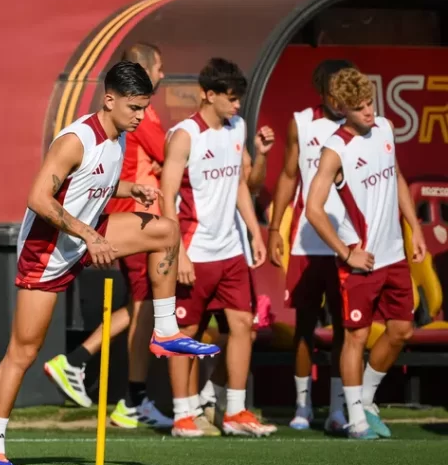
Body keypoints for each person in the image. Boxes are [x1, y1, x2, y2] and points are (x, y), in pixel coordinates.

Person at [0, 61, 219, 465]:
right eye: (134, 108)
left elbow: (92, 184)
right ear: (109, 100)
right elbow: (39, 197)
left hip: (88, 235)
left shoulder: (119, 136)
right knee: (24, 352)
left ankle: (164, 331)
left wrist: (130, 188)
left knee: (164, 231)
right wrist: (90, 236)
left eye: (144, 108)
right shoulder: (76, 139)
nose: (141, 117)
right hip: (48, 251)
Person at [42, 43, 173, 430]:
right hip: (124, 221)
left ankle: (125, 394)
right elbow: (172, 155)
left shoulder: (128, 119)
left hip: (124, 212)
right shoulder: (138, 117)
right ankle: (106, 381)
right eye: (161, 67)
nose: (164, 74)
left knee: (141, 307)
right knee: (142, 307)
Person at [305, 67, 425, 440]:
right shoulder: (335, 149)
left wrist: (415, 227)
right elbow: (313, 208)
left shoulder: (386, 129)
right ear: (342, 108)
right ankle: (355, 419)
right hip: (362, 262)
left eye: (371, 103)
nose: (369, 112)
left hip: (395, 256)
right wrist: (345, 253)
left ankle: (367, 399)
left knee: (402, 330)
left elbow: (397, 177)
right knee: (355, 337)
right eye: (359, 108)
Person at [160, 58, 276, 438]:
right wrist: (179, 254)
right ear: (207, 95)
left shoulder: (238, 127)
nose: (237, 105)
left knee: (243, 325)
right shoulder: (184, 135)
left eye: (238, 98)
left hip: (231, 252)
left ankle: (235, 412)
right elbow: (167, 196)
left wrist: (255, 231)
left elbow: (240, 184)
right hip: (195, 248)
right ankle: (182, 415)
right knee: (187, 331)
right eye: (230, 98)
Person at [267, 59, 355, 433]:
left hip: (349, 243)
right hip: (307, 241)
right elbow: (288, 175)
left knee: (346, 330)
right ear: (322, 89)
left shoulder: (364, 127)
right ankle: (302, 406)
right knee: (304, 325)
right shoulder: (302, 122)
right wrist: (274, 229)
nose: (342, 97)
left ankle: (338, 409)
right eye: (335, 89)